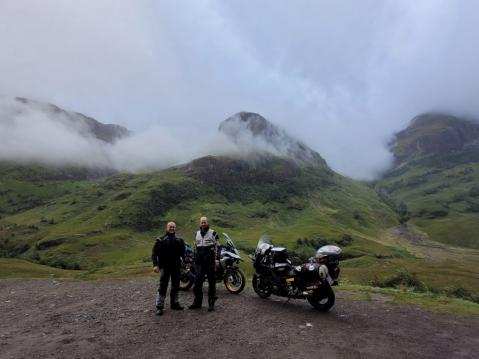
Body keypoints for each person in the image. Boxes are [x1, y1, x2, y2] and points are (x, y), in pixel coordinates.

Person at [151, 221, 185, 316]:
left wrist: (187, 263)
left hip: (176, 267)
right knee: (163, 286)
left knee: (176, 286)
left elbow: (183, 254)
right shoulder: (161, 240)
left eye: (173, 227)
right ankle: (159, 307)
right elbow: (154, 254)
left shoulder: (179, 241)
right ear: (167, 228)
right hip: (165, 267)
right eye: (170, 227)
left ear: (175, 228)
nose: (172, 228)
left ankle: (174, 303)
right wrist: (155, 265)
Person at [189, 216, 219, 312]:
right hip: (199, 263)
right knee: (197, 283)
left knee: (211, 283)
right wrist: (193, 260)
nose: (203, 224)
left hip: (210, 262)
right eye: (202, 222)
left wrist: (217, 260)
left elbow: (218, 247)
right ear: (200, 223)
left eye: (205, 222)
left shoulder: (213, 233)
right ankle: (197, 303)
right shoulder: (196, 234)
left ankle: (211, 304)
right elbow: (195, 248)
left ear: (207, 222)